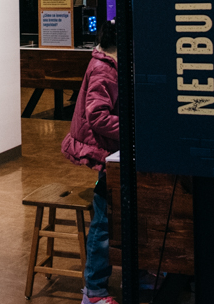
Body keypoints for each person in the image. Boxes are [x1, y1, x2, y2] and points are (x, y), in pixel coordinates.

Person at [61, 23, 119, 304]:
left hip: (107, 150)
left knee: (111, 214)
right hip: (102, 151)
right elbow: (97, 116)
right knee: (103, 219)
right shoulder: (104, 69)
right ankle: (94, 292)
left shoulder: (106, 63)